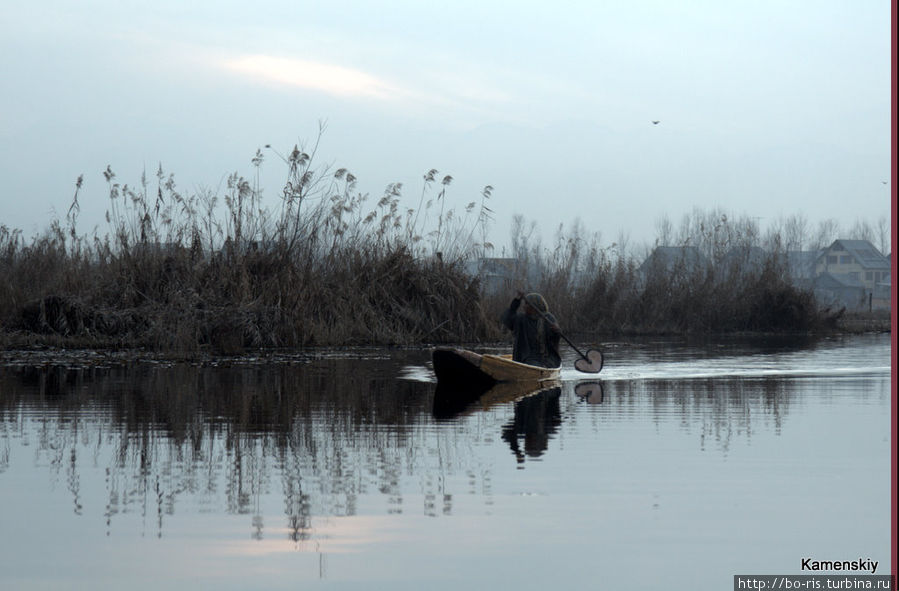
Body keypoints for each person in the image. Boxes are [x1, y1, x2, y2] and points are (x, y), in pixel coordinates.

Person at [500, 291, 562, 368]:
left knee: (533, 364)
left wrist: (556, 332)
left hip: (545, 358)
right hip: (524, 356)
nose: (524, 306)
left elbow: (553, 340)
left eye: (526, 304)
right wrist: (516, 302)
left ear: (534, 306)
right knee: (529, 362)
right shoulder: (521, 319)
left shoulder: (548, 318)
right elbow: (507, 320)